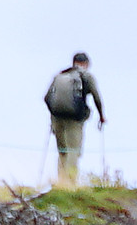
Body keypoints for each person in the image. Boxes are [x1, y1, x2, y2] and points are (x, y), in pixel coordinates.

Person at [43, 53, 105, 190]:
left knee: (62, 151)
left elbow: (46, 97)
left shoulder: (60, 76)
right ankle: (70, 184)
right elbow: (96, 97)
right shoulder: (86, 76)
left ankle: (60, 182)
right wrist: (101, 116)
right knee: (73, 150)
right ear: (86, 64)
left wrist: (54, 113)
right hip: (75, 119)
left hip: (57, 118)